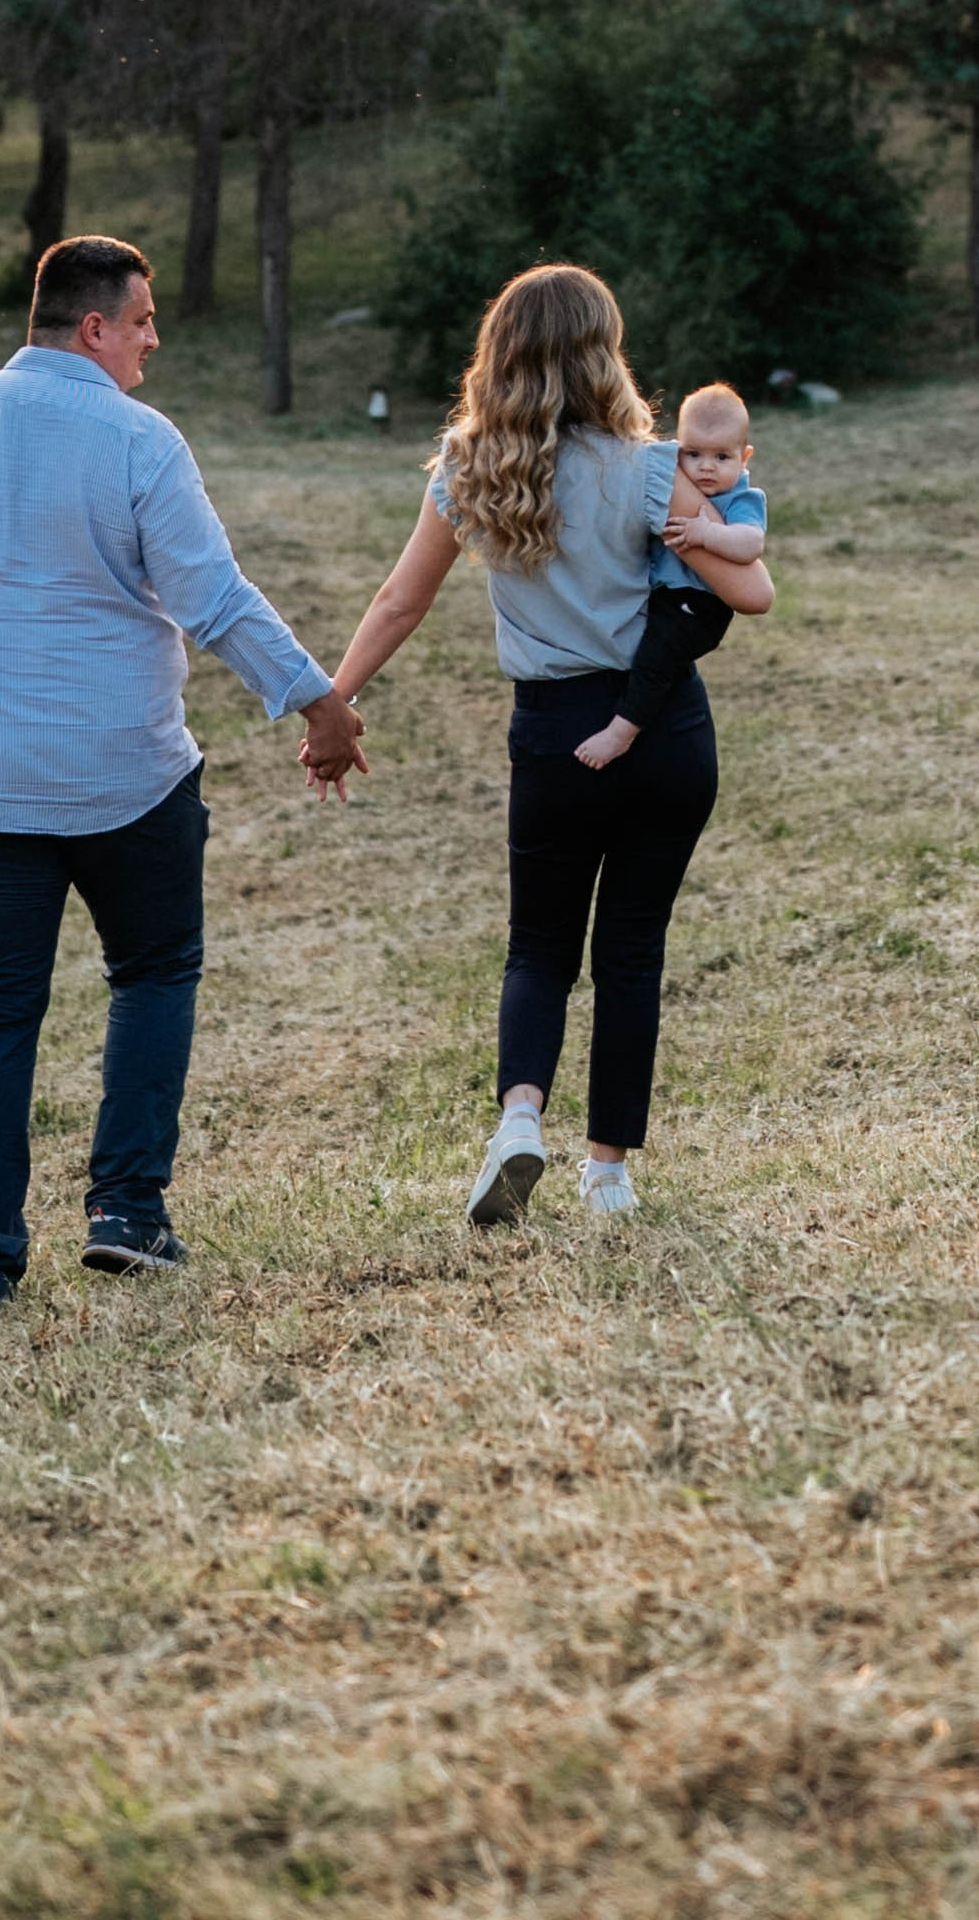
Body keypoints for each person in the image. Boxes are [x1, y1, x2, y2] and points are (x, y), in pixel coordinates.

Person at [0, 234, 364, 1310]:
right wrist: (317, 700)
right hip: (129, 774)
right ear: (93, 327)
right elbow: (212, 597)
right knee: (154, 973)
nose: (153, 339)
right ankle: (127, 1208)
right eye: (142, 319)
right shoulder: (137, 438)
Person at [305, 263, 770, 1228]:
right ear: (604, 353)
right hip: (664, 723)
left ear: (500, 356)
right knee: (632, 949)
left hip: (555, 732)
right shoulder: (654, 469)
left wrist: (333, 704)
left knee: (540, 947)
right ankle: (608, 1174)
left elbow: (401, 600)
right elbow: (742, 590)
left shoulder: (468, 470)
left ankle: (520, 1119)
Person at [574, 382, 767, 770]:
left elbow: (750, 545)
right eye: (693, 454)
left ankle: (622, 732)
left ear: (744, 457)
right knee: (652, 658)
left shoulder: (741, 498)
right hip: (669, 597)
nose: (706, 467)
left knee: (654, 660)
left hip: (700, 604)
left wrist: (707, 533)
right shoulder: (670, 486)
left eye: (722, 457)